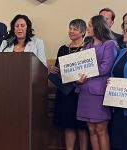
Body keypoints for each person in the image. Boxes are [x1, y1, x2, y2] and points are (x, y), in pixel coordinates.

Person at [76, 15, 117, 150]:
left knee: (100, 129)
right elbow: (81, 67)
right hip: (85, 91)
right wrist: (77, 77)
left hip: (99, 92)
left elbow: (106, 67)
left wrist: (86, 73)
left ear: (97, 27)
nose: (87, 28)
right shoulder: (87, 46)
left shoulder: (109, 44)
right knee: (91, 129)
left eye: (89, 25)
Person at [49, 19, 88, 150]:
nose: (71, 31)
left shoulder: (88, 48)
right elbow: (58, 69)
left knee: (82, 126)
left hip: (81, 92)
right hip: (66, 92)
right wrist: (53, 70)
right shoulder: (63, 49)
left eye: (75, 29)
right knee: (68, 124)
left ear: (83, 32)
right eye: (70, 28)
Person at [110, 15, 127, 150]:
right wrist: (110, 82)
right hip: (118, 107)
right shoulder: (122, 51)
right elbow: (116, 73)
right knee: (118, 144)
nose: (123, 32)